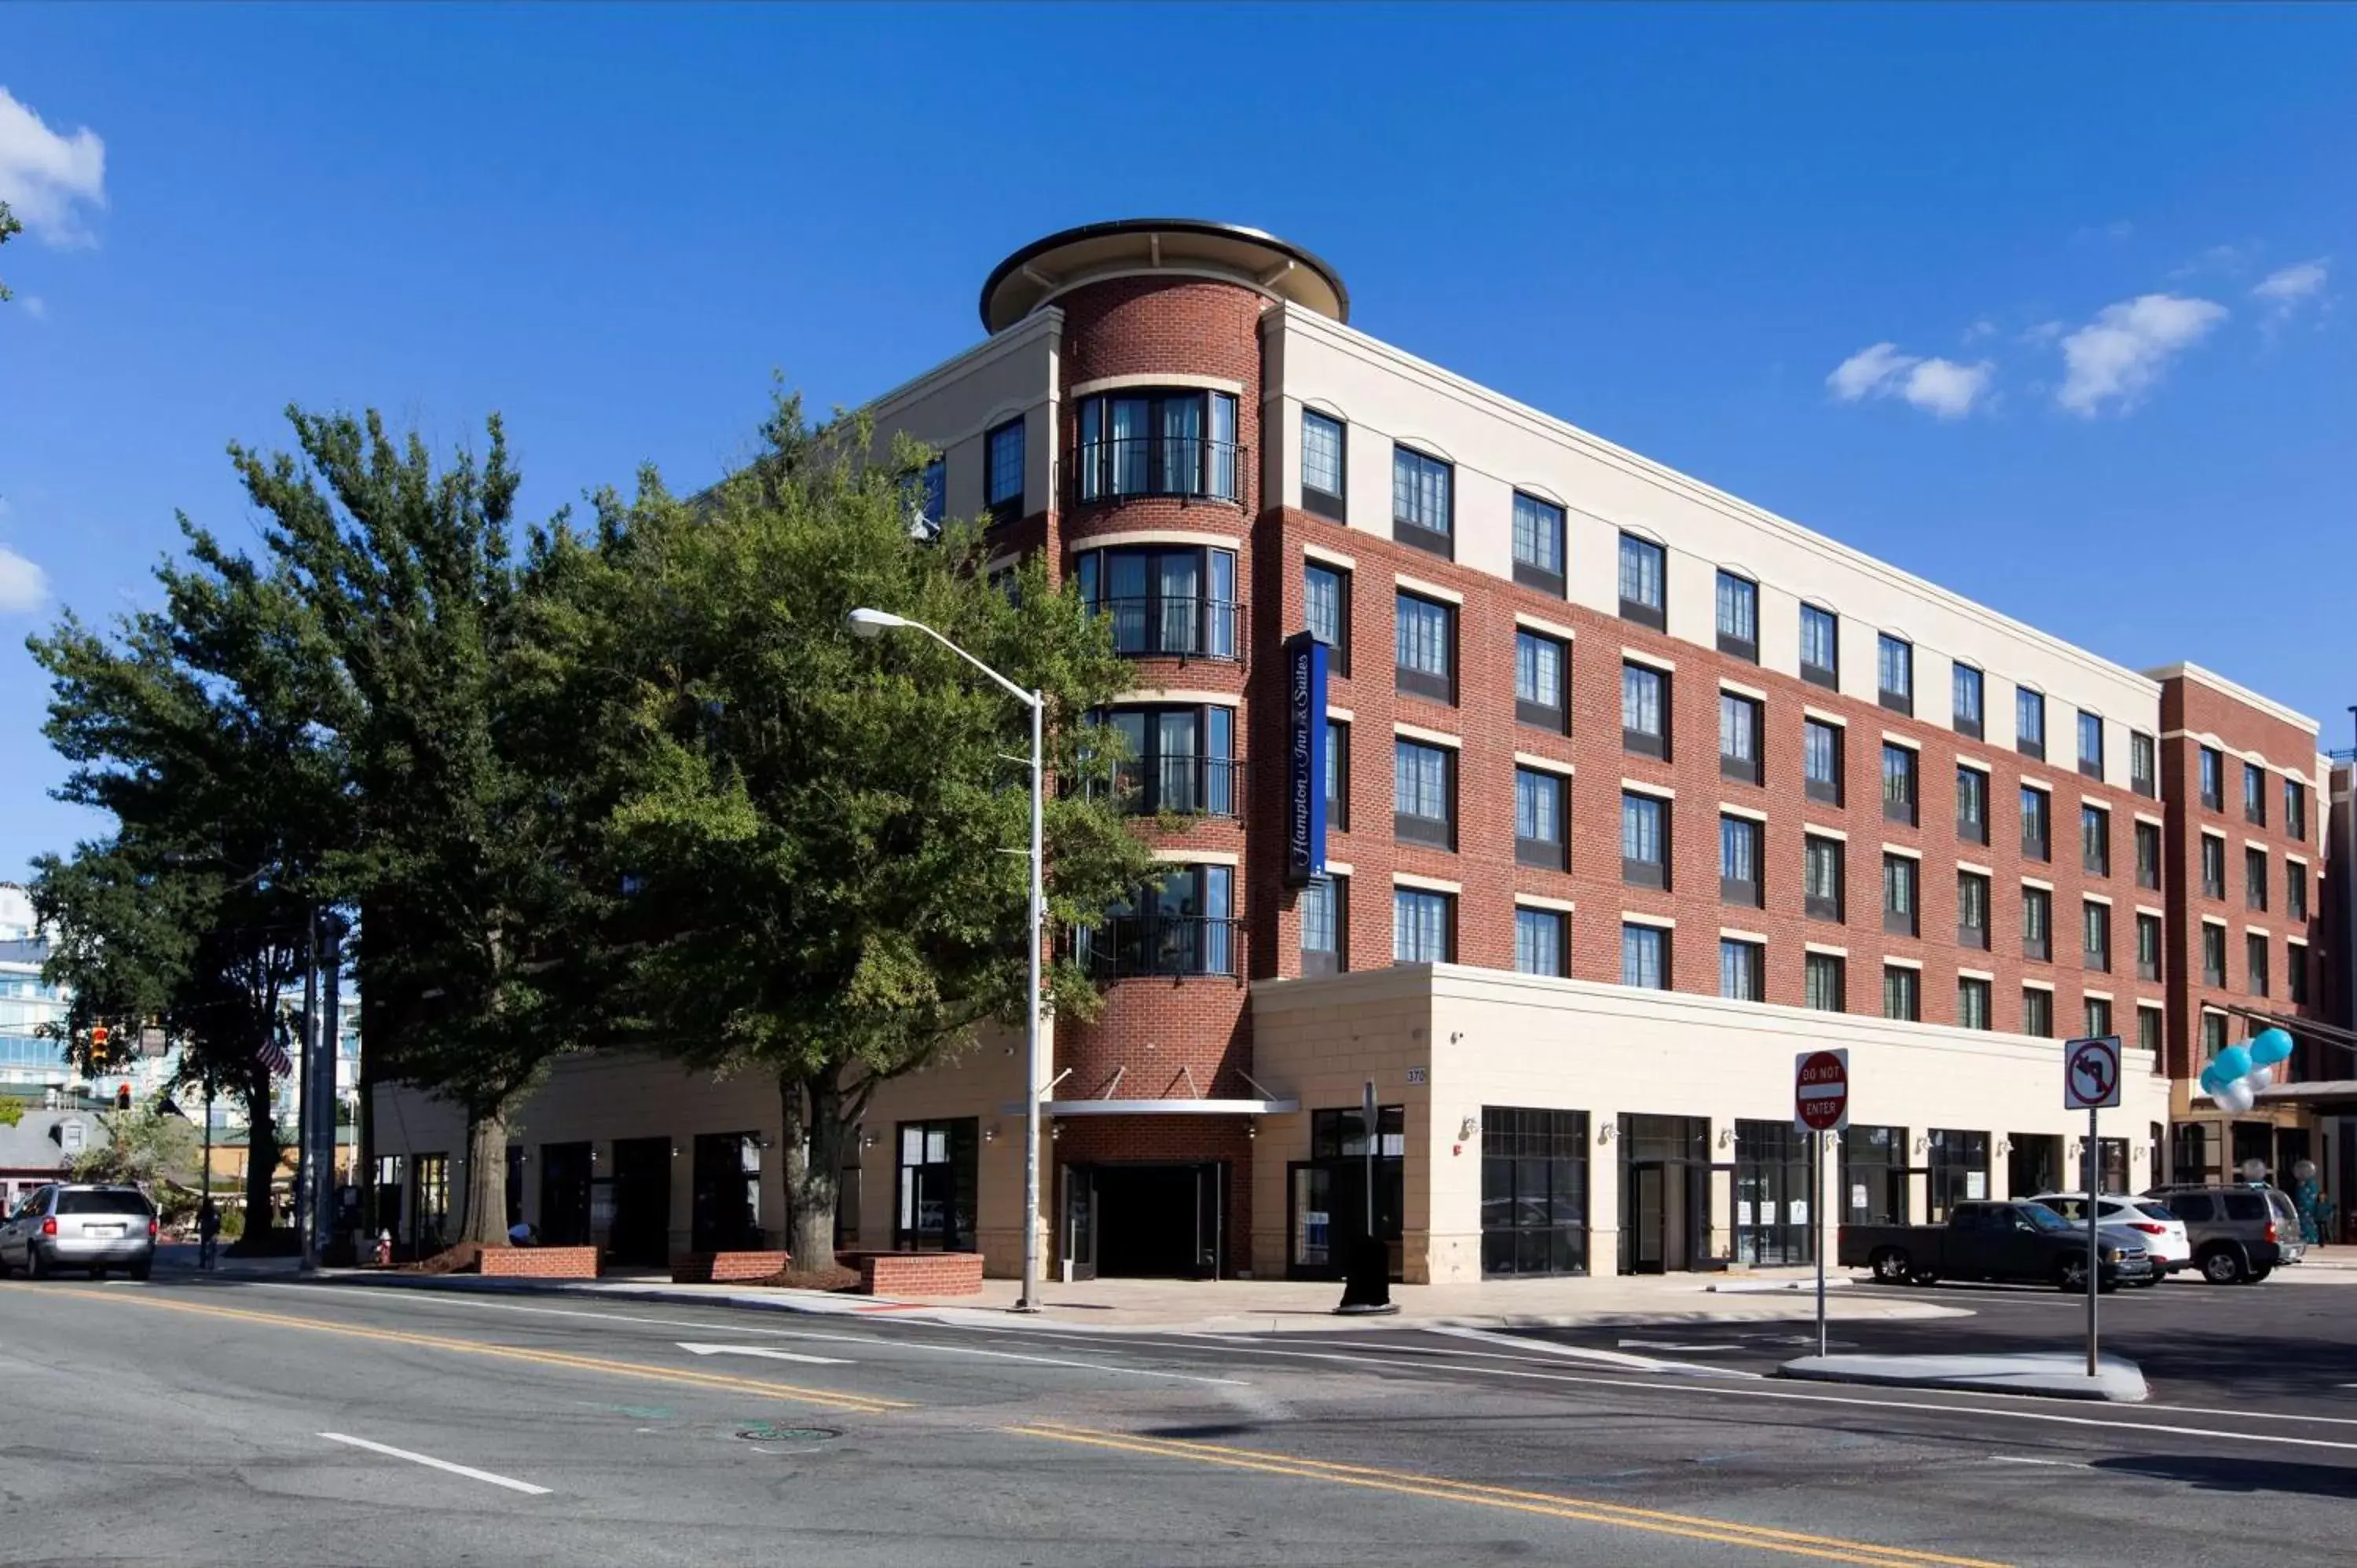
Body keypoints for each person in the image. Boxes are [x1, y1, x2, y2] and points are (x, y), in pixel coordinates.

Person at [196, 1197, 221, 1272]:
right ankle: (211, 1257)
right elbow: (219, 1221)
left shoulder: (204, 1211)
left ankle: (203, 1263)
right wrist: (218, 1230)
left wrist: (196, 1228)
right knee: (212, 1245)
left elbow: (198, 1219)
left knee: (203, 1246)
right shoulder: (215, 1211)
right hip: (213, 1231)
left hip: (205, 1230)